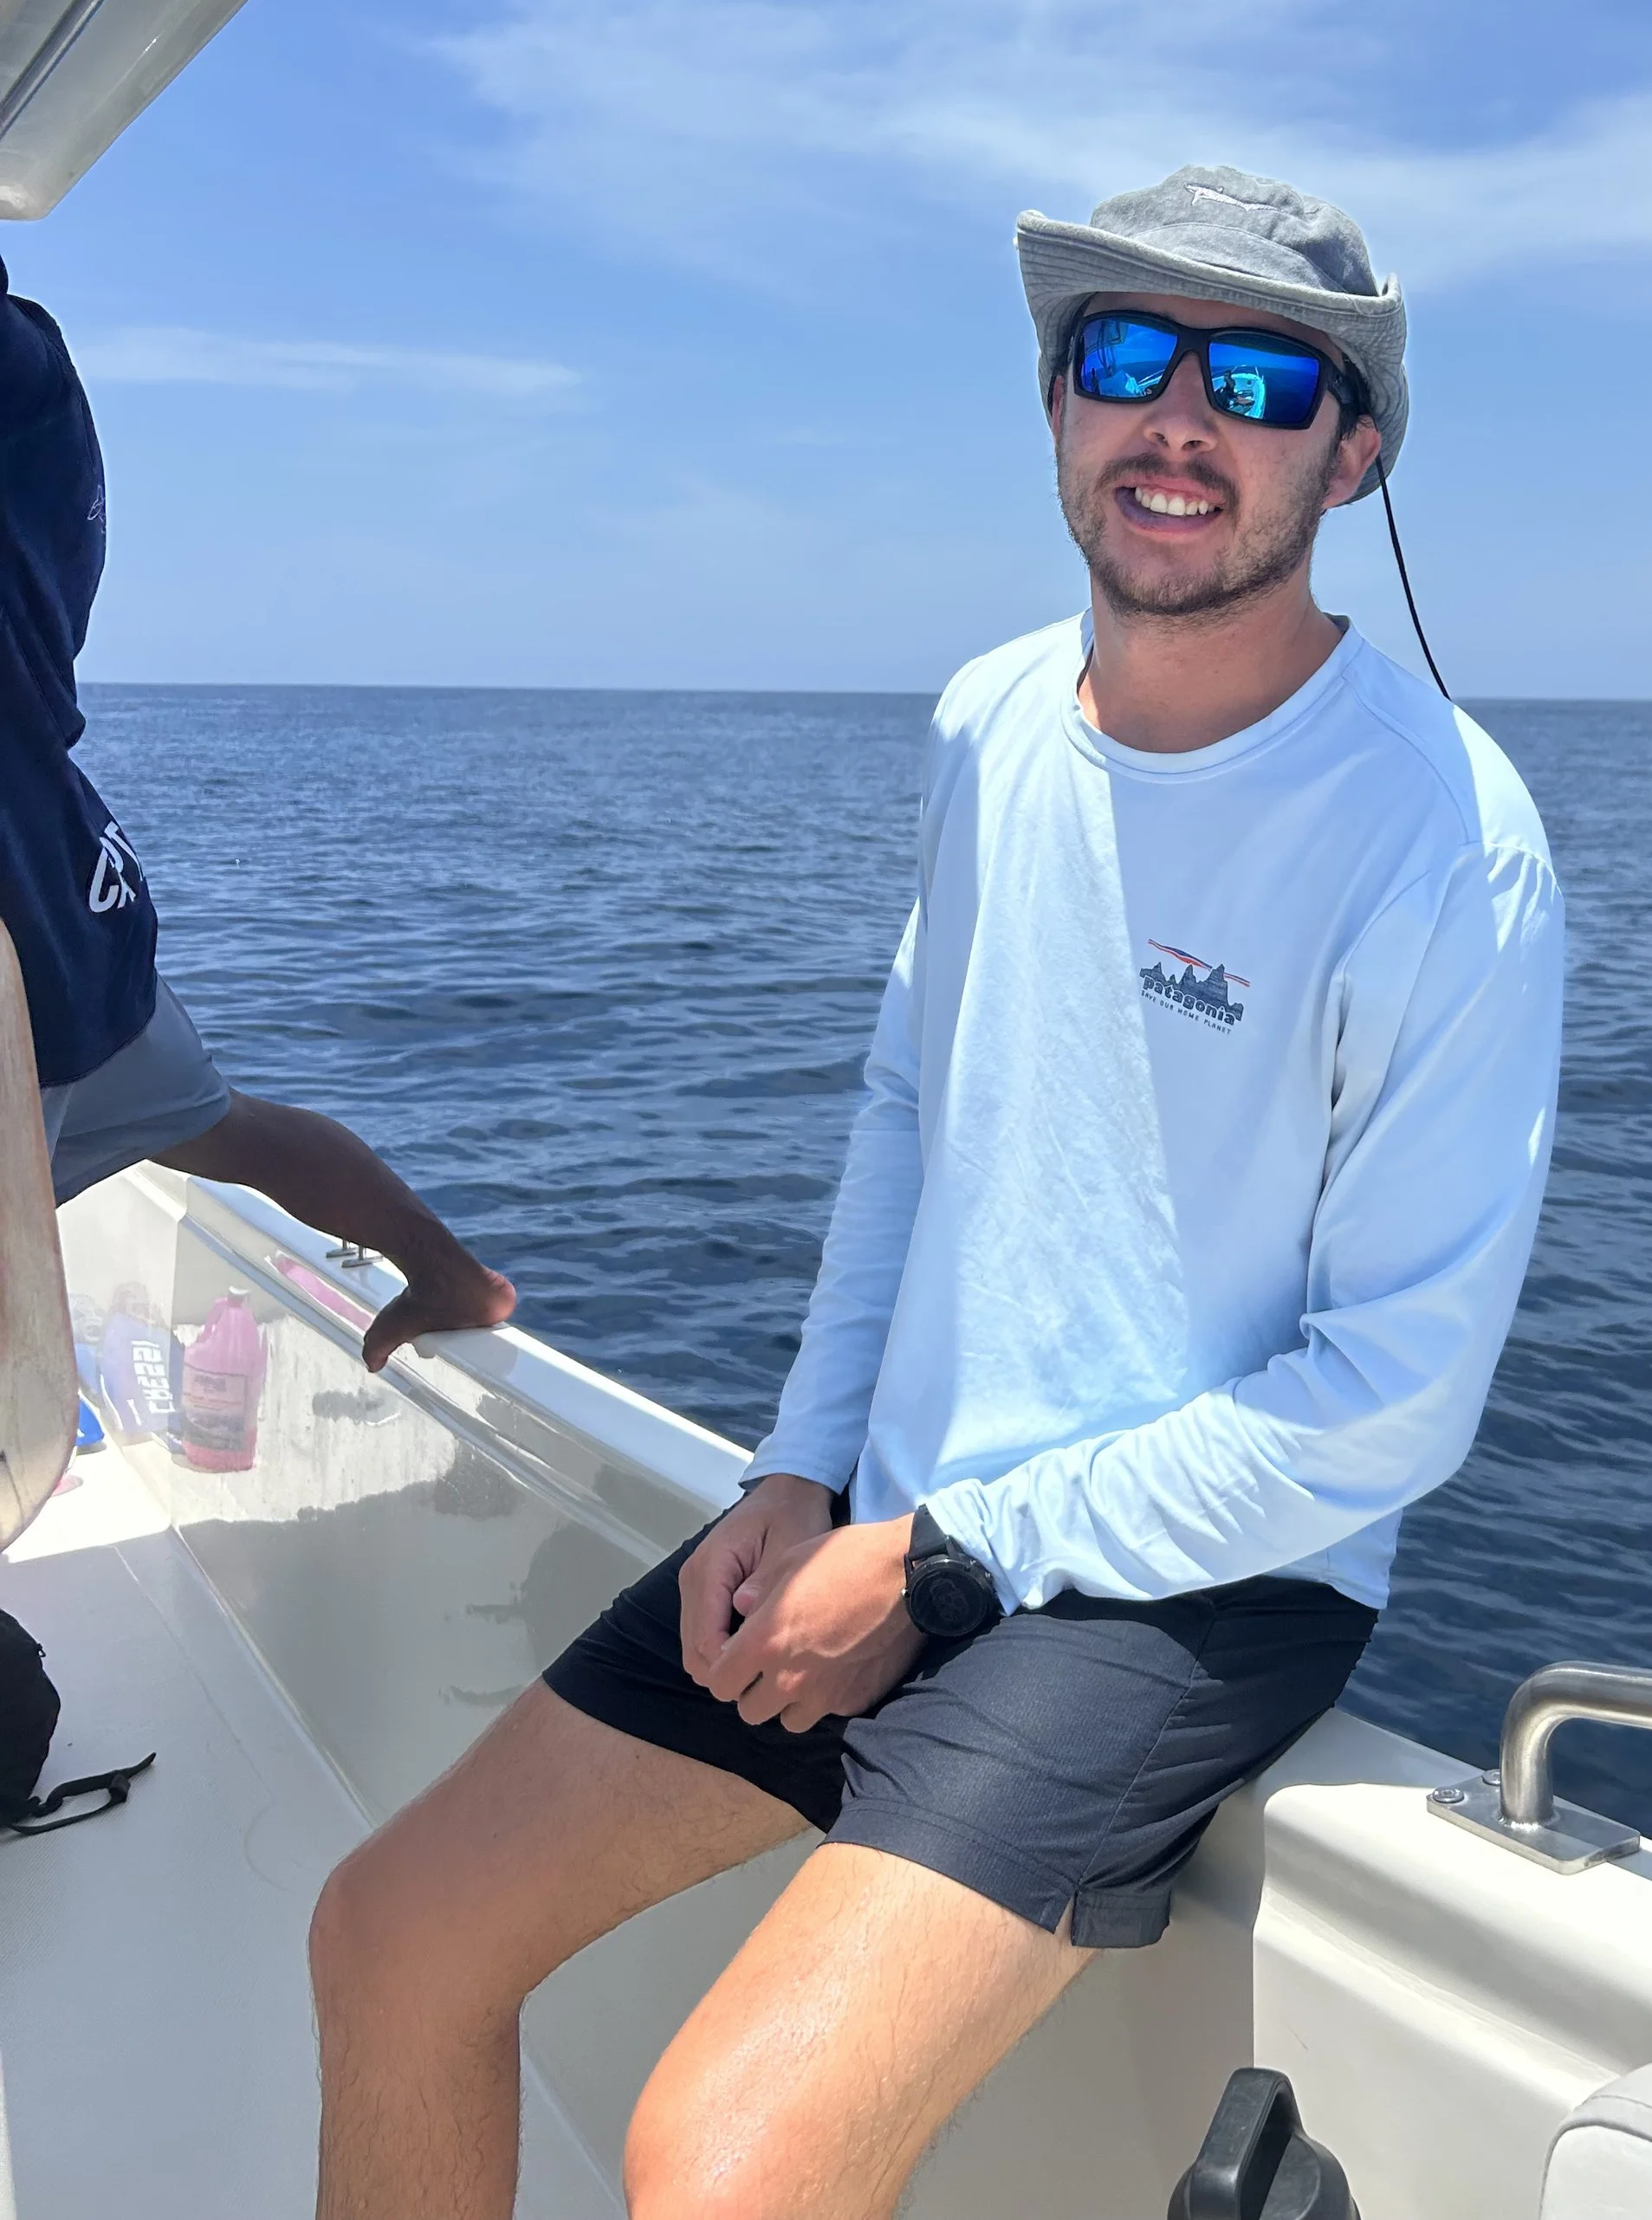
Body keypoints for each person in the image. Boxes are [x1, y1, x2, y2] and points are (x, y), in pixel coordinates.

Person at [308, 165, 1567, 2220]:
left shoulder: (1448, 844)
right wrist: (802, 1475)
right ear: (1057, 405)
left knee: (722, 2168)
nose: (1178, 416)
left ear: (1351, 454)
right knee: (387, 1935)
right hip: (886, 1514)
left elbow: (1387, 1404)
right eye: (1118, 357)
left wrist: (946, 1559)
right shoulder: (987, 720)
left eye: (1254, 374)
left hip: (1190, 1588)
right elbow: (917, 1098)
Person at [0, 257, 513, 1375]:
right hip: (75, 899)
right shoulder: (41, 390)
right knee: (220, 1126)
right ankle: (450, 1274)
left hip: (26, 929)